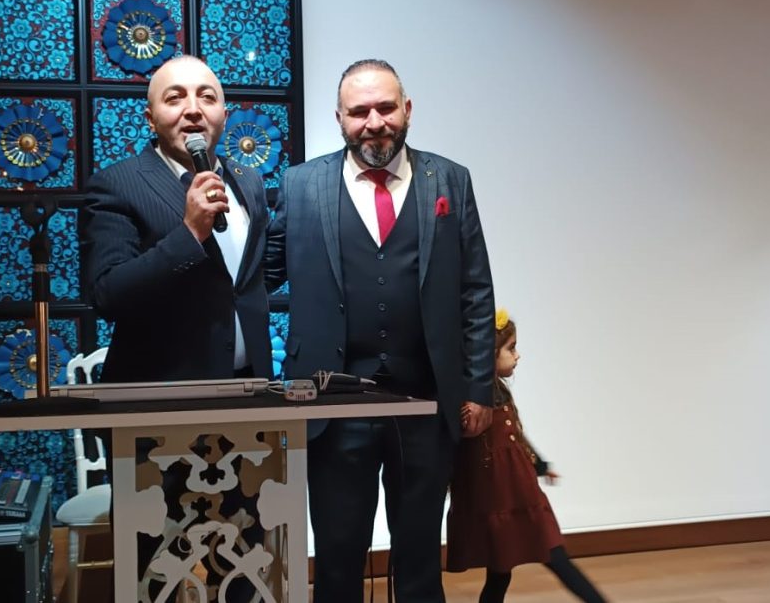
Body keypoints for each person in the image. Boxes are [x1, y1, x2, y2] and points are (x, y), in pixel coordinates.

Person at [265, 59, 495, 602]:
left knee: (420, 559)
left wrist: (478, 387)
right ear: (339, 119)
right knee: (338, 556)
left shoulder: (450, 180)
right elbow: (262, 274)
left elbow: (475, 289)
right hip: (332, 404)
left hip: (426, 400)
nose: (374, 122)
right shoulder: (300, 185)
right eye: (359, 111)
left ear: (407, 110)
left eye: (386, 108)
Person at [81, 55, 273, 602]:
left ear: (224, 114)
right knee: (155, 573)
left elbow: (246, 281)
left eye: (207, 97)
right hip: (155, 414)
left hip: (245, 409)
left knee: (245, 566)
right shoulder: (116, 185)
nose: (193, 109)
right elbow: (107, 293)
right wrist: (188, 233)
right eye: (175, 97)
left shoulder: (248, 183)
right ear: (150, 117)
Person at [446, 309, 608, 603]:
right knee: (510, 568)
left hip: (519, 491)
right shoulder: (472, 401)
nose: (517, 355)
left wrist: (540, 465)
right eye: (511, 348)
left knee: (529, 562)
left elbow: (515, 439)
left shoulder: (499, 392)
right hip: (499, 495)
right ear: (487, 354)